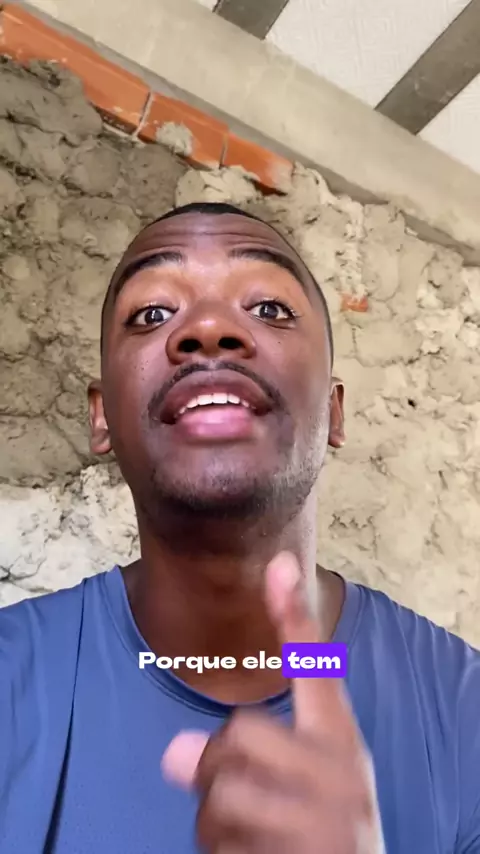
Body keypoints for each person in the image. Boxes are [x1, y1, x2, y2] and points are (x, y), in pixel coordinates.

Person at [0, 201, 479, 854]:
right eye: (153, 313)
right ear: (101, 415)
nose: (208, 328)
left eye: (269, 308)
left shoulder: (464, 714)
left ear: (335, 412)